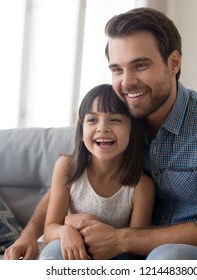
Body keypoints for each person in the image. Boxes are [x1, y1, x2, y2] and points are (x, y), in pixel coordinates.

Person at [4, 7, 197, 260]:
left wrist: (119, 239)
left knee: (167, 259)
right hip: (130, 255)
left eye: (139, 65)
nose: (126, 82)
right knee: (57, 253)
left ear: (173, 63)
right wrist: (30, 234)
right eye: (117, 69)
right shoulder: (121, 119)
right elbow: (76, 176)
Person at [37, 84, 155, 260]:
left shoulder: (141, 186)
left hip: (113, 256)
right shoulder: (66, 167)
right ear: (82, 128)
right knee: (54, 250)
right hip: (70, 250)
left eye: (115, 119)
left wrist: (98, 228)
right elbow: (50, 229)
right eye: (92, 120)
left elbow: (135, 249)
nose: (102, 128)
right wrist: (66, 230)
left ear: (133, 129)